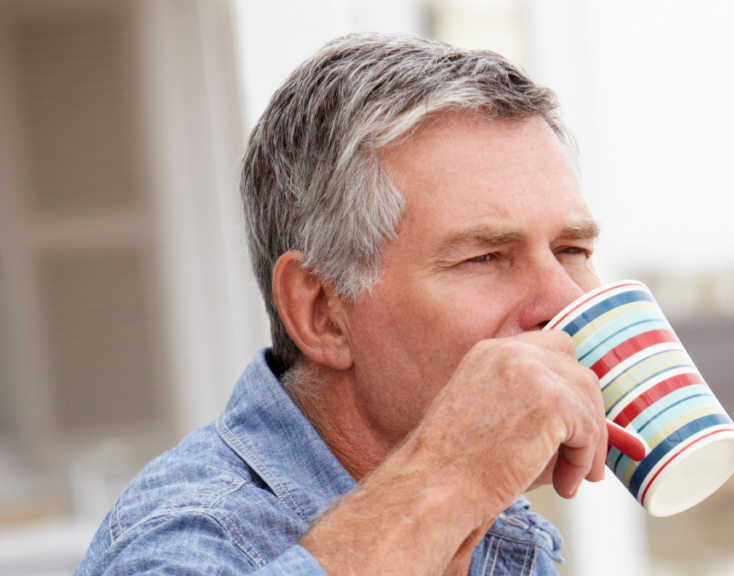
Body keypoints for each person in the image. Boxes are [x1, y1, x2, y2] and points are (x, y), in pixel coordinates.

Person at [74, 32, 609, 576]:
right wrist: (446, 480)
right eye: (485, 257)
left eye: (571, 249)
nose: (565, 299)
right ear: (323, 313)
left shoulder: (497, 526)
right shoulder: (189, 544)